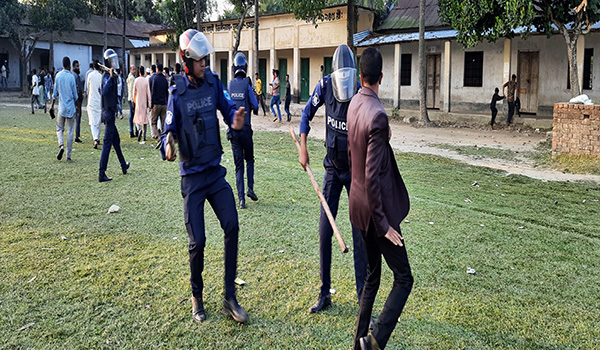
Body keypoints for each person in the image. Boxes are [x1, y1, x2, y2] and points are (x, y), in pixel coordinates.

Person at [159, 29, 248, 324]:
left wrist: (236, 117)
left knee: (232, 225)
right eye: (200, 61)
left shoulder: (214, 83)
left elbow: (228, 107)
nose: (205, 65)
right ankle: (197, 295)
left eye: (206, 60)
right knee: (198, 241)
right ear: (186, 60)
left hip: (214, 173)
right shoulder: (177, 92)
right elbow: (168, 131)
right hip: (193, 180)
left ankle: (229, 297)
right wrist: (168, 145)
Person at [347, 47, 413, 350]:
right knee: (403, 278)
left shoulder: (353, 105)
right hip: (375, 213)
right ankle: (374, 342)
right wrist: (384, 224)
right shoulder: (378, 116)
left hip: (357, 206)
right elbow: (372, 176)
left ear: (361, 76)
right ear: (381, 77)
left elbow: (354, 160)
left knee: (373, 276)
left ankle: (358, 342)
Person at [298, 44, 367, 315]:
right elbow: (306, 115)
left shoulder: (360, 92)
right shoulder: (324, 86)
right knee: (325, 231)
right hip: (331, 171)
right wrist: (303, 147)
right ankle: (324, 293)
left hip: (354, 174)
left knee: (359, 233)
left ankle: (363, 297)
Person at [227, 52, 259, 209]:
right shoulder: (247, 84)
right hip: (246, 129)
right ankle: (250, 188)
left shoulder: (230, 85)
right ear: (245, 67)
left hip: (233, 131)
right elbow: (256, 105)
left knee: (238, 165)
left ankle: (241, 199)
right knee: (250, 159)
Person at [98, 49, 130, 182]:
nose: (114, 63)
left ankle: (123, 165)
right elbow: (104, 91)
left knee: (116, 141)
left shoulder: (112, 76)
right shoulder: (106, 76)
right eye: (112, 61)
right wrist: (111, 77)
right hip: (108, 113)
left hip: (111, 112)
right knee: (107, 143)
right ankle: (101, 173)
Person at [50, 57, 78, 161]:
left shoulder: (58, 76)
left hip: (61, 108)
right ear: (69, 65)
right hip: (71, 108)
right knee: (70, 131)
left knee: (59, 128)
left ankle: (61, 145)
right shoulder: (71, 77)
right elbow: (75, 95)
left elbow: (54, 94)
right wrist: (77, 106)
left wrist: (52, 105)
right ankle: (68, 156)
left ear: (62, 65)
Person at [86, 60, 103, 149]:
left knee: (92, 121)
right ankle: (98, 137)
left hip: (92, 100)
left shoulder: (90, 75)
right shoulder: (101, 76)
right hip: (99, 100)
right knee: (98, 121)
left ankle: (95, 138)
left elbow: (88, 88)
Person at [150, 63, 169, 142]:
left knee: (153, 122)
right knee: (163, 122)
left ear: (157, 69)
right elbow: (166, 92)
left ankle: (158, 136)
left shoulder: (155, 79)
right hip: (164, 104)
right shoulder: (165, 79)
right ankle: (165, 137)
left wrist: (151, 103)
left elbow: (153, 92)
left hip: (156, 103)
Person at [133, 65, 151, 143]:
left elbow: (134, 92)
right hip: (144, 101)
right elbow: (148, 93)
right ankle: (144, 135)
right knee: (144, 118)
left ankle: (139, 129)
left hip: (138, 101)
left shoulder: (136, 80)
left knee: (137, 118)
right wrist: (149, 103)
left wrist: (133, 101)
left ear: (139, 72)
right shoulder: (146, 81)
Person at [72, 60, 84, 143]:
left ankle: (76, 135)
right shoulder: (75, 76)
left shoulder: (75, 75)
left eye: (78, 66)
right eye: (77, 66)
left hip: (75, 99)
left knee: (75, 118)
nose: (78, 67)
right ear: (73, 67)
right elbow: (77, 89)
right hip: (77, 100)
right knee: (77, 117)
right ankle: (76, 136)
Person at [126, 64, 137, 138]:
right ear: (130, 70)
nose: (134, 71)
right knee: (134, 115)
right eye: (133, 69)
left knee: (131, 115)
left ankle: (132, 130)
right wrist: (133, 100)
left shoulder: (129, 77)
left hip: (130, 98)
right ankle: (135, 130)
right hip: (132, 99)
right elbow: (132, 90)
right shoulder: (132, 78)